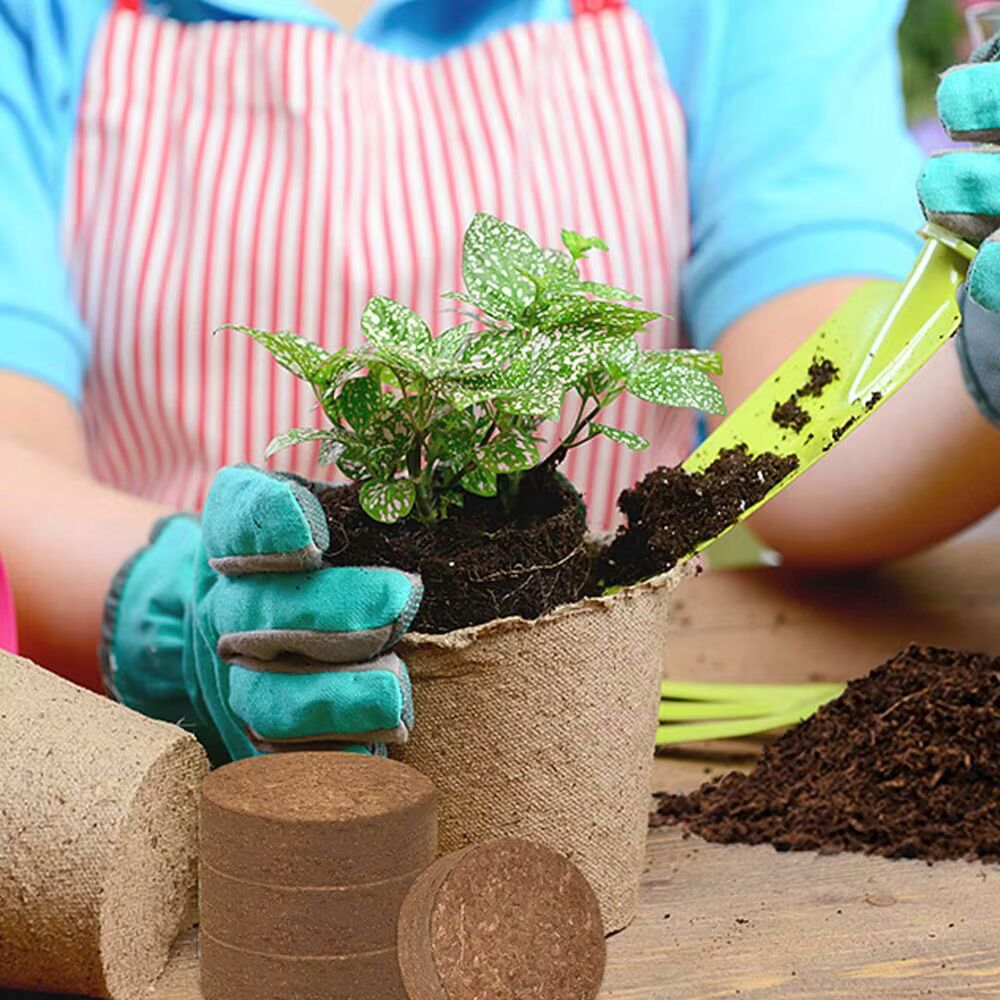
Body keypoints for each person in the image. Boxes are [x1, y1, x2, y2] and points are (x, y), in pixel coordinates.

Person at [1, 0, 997, 759]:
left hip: (590, 751)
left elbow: (810, 434)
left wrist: (982, 362)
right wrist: (178, 618)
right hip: (153, 768)